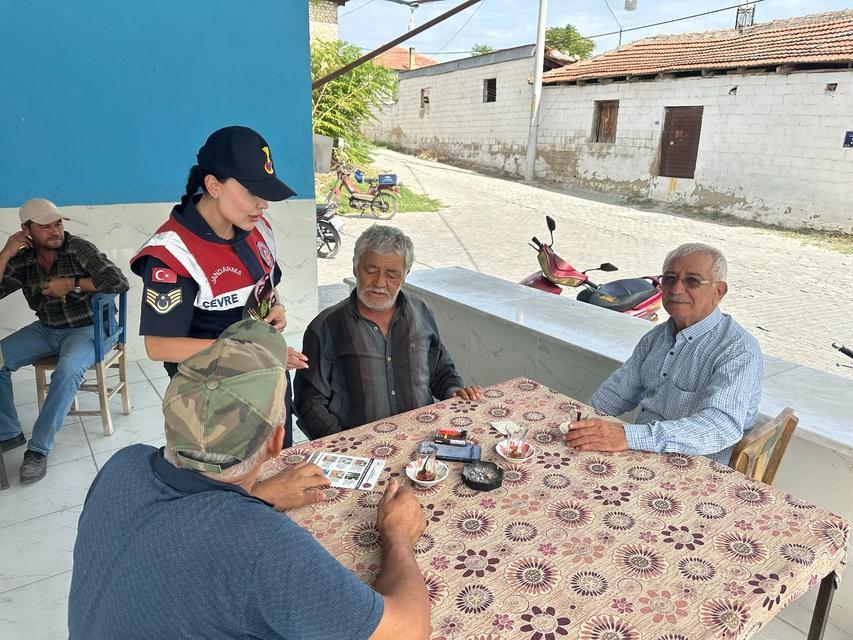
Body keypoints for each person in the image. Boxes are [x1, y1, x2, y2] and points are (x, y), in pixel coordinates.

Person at [68, 320, 430, 640]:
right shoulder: (260, 543)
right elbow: (406, 631)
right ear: (276, 441)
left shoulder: (121, 465)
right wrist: (397, 535)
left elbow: (180, 533)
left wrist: (256, 496)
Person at [129, 125, 307, 447]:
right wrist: (256, 354)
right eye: (252, 193)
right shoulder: (172, 254)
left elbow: (266, 282)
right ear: (213, 185)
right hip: (214, 402)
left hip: (267, 384)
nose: (263, 205)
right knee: (234, 489)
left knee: (278, 468)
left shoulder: (257, 228)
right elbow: (159, 347)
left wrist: (275, 306)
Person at [565, 243, 763, 465]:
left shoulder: (737, 349)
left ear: (719, 291)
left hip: (697, 468)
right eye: (669, 278)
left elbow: (720, 426)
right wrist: (580, 422)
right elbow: (617, 392)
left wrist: (628, 436)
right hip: (641, 455)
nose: (677, 290)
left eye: (692, 281)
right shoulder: (657, 337)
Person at [294, 225, 482, 440]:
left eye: (392, 274)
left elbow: (440, 371)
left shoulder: (420, 313)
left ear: (406, 275)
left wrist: (453, 392)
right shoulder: (326, 326)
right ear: (355, 267)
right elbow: (309, 401)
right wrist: (342, 442)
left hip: (421, 441)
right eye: (371, 270)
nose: (380, 283)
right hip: (358, 448)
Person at [0, 199, 129, 483]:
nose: (55, 230)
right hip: (47, 329)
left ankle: (38, 450)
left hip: (90, 327)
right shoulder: (22, 260)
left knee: (68, 370)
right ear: (26, 230)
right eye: (45, 226)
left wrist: (72, 283)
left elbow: (118, 281)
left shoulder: (78, 248)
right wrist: (6, 253)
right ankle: (9, 433)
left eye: (57, 223)